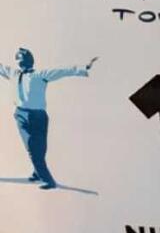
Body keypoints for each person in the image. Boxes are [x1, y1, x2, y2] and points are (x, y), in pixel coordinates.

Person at [0, 48, 96, 190]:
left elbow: (62, 71)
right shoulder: (13, 73)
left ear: (28, 61)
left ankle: (38, 173)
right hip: (21, 115)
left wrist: (84, 67)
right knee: (32, 148)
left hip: (39, 117)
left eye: (22, 60)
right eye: (19, 61)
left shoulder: (40, 75)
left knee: (40, 149)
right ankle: (48, 180)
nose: (20, 63)